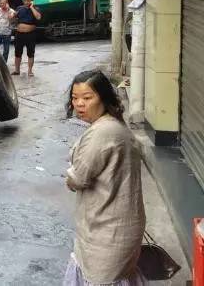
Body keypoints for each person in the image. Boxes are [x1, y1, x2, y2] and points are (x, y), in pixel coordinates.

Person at [63, 70, 146, 285]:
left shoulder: (102, 132)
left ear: (104, 98)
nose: (79, 104)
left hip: (107, 234)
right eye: (75, 98)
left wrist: (70, 174)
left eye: (87, 97)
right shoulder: (112, 124)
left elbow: (78, 178)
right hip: (114, 229)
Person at [12, 0, 41, 76]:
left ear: (31, 1)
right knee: (17, 53)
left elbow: (38, 17)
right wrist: (13, 16)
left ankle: (30, 71)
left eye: (28, 1)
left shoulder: (36, 8)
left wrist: (32, 7)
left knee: (30, 53)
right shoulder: (19, 8)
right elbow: (13, 20)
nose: (26, 2)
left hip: (30, 35)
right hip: (19, 34)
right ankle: (17, 70)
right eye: (25, 1)